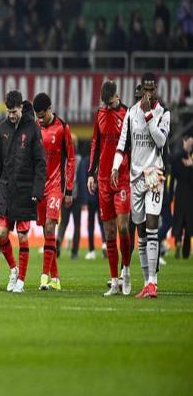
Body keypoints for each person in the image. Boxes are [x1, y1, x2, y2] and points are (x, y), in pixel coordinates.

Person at [112, 72, 170, 298]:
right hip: (135, 177)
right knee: (142, 231)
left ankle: (153, 282)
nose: (148, 93)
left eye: (152, 89)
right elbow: (122, 144)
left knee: (153, 224)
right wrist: (115, 167)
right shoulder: (130, 113)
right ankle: (147, 282)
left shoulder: (163, 113)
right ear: (142, 90)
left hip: (154, 173)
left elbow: (161, 140)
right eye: (145, 89)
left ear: (156, 90)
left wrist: (148, 115)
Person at [0, 91, 46, 293]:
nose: (11, 115)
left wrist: (37, 189)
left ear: (21, 108)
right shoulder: (2, 129)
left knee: (22, 236)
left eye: (14, 112)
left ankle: (21, 280)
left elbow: (40, 162)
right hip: (6, 188)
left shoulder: (32, 128)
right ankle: (13, 269)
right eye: (9, 112)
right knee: (1, 233)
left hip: (25, 189)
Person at [88, 80, 132, 296]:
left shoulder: (128, 114)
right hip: (104, 180)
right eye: (105, 103)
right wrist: (91, 173)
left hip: (122, 178)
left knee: (123, 227)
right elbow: (95, 144)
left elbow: (133, 146)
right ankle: (114, 281)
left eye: (111, 101)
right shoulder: (100, 114)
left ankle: (126, 271)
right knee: (109, 232)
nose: (108, 105)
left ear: (118, 95)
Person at [33, 93, 75, 291]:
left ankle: (44, 277)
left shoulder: (62, 128)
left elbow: (71, 159)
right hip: (39, 187)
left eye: (42, 115)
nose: (40, 119)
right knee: (46, 231)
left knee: (50, 226)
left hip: (55, 185)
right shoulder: (35, 128)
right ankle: (55, 278)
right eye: (38, 116)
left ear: (50, 109)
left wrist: (69, 189)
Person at [56, 134, 82, 259]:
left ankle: (58, 241)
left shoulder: (62, 159)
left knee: (63, 222)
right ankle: (74, 252)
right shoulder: (79, 159)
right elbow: (81, 179)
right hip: (76, 196)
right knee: (77, 225)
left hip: (64, 193)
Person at [171, 133, 193, 259]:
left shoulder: (178, 156)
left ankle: (179, 242)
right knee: (186, 220)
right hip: (186, 192)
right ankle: (184, 249)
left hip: (182, 192)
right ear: (185, 141)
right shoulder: (180, 157)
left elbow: (173, 174)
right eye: (190, 142)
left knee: (181, 220)